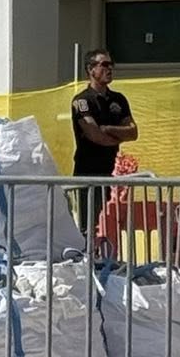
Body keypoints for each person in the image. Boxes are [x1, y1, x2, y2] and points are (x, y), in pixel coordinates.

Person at [70, 50, 137, 234]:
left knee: (113, 225)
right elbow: (95, 136)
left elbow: (133, 132)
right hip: (89, 172)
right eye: (104, 65)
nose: (110, 69)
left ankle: (109, 260)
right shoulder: (82, 100)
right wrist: (115, 134)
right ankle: (91, 260)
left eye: (111, 65)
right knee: (90, 226)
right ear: (91, 69)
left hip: (112, 173)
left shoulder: (118, 99)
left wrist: (108, 129)